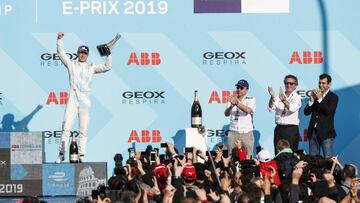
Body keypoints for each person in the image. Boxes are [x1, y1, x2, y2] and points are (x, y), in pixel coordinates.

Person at [55, 32, 113, 163]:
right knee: (66, 128)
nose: (83, 55)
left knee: (83, 129)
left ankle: (81, 155)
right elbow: (61, 54)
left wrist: (108, 53)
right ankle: (61, 153)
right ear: (77, 53)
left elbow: (107, 67)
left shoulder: (91, 67)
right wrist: (59, 40)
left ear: (87, 55)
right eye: (81, 52)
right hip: (73, 99)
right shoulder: (71, 64)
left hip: (85, 102)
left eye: (85, 53)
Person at [304, 73, 338, 158]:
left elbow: (328, 112)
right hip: (313, 133)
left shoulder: (333, 97)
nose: (320, 85)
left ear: (329, 84)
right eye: (319, 83)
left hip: (326, 133)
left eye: (323, 83)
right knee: (313, 159)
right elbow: (306, 112)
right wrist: (311, 100)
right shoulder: (315, 96)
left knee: (328, 159)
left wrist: (319, 99)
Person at [268, 75, 302, 153]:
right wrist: (272, 96)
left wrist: (283, 100)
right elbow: (270, 108)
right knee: (278, 153)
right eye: (286, 83)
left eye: (291, 83)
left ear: (295, 86)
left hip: (291, 129)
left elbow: (292, 108)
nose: (288, 85)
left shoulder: (297, 97)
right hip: (279, 128)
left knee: (291, 153)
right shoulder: (278, 97)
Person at [224, 79, 256, 158]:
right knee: (231, 156)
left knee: (248, 156)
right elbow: (226, 114)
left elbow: (248, 110)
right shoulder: (232, 99)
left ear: (247, 89)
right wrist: (231, 105)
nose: (239, 89)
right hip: (233, 132)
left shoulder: (251, 99)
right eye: (237, 87)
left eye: (241, 88)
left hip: (246, 132)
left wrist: (237, 103)